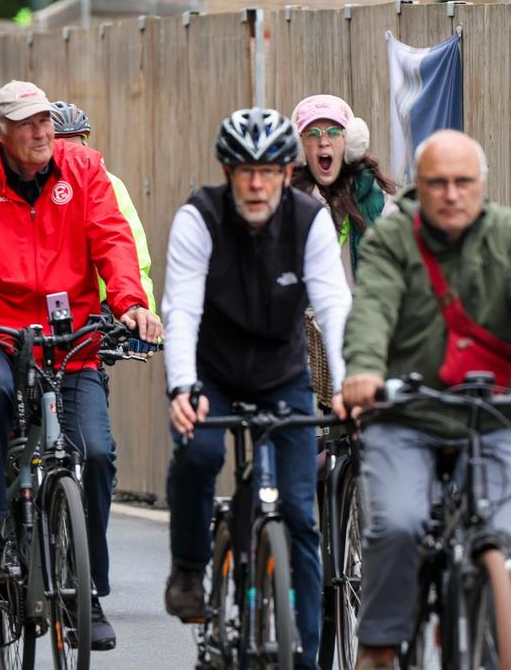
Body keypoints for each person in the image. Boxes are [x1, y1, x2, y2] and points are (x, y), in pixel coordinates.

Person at [0, 80, 161, 651]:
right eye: (27, 123)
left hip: (68, 335)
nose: (41, 132)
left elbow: (113, 241)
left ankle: (88, 590)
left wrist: (130, 303)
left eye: (46, 121)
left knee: (96, 454)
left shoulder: (83, 169)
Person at [160, 108, 352, 670]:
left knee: (300, 515)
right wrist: (183, 388)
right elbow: (182, 310)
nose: (257, 184)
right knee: (199, 453)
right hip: (212, 372)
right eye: (245, 171)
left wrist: (346, 386)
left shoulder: (309, 220)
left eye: (268, 171)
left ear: (286, 173)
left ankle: (306, 658)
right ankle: (190, 567)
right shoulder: (199, 217)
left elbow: (334, 306)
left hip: (281, 374)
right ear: (228, 172)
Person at [341, 130, 511, 670]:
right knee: (399, 523)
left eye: (463, 182)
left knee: (507, 530)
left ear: (482, 184)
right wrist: (365, 370)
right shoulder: (394, 237)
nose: (451, 194)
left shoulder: (505, 236)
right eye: (438, 183)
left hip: (492, 416)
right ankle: (379, 644)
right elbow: (372, 308)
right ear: (420, 186)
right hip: (406, 415)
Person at [51, 101, 156, 311]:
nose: (72, 157)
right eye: (63, 148)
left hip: (106, 311)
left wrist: (139, 311)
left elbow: (134, 260)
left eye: (77, 146)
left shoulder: (110, 185)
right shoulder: (35, 189)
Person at [289, 94, 397, 277]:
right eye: (312, 134)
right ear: (300, 148)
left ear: (349, 142)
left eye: (333, 132)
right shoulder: (285, 204)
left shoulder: (383, 204)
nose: (323, 142)